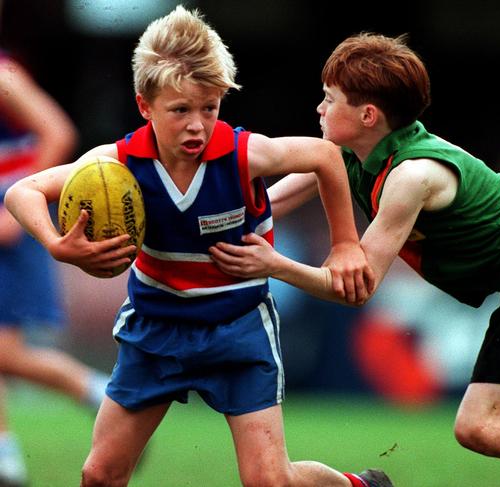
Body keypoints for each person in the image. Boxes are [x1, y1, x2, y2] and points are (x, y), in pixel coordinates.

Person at [209, 33, 500, 486]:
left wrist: (274, 264)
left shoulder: (411, 176)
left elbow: (359, 286)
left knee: (479, 425)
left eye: (328, 99)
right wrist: (200, 223)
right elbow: (265, 206)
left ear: (367, 115)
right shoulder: (352, 150)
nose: (319, 108)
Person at [4, 7, 392, 487]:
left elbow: (325, 155)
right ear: (145, 106)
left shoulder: (243, 153)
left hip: (237, 328)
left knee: (269, 481)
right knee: (99, 474)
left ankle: (358, 484)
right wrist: (58, 245)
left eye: (209, 108)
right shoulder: (117, 164)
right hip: (156, 328)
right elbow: (23, 192)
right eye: (180, 110)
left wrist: (346, 245)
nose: (197, 125)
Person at [0, 51, 109, 487]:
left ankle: (100, 392)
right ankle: (6, 459)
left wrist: (13, 206)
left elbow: (57, 132)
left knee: (4, 352)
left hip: (9, 221)